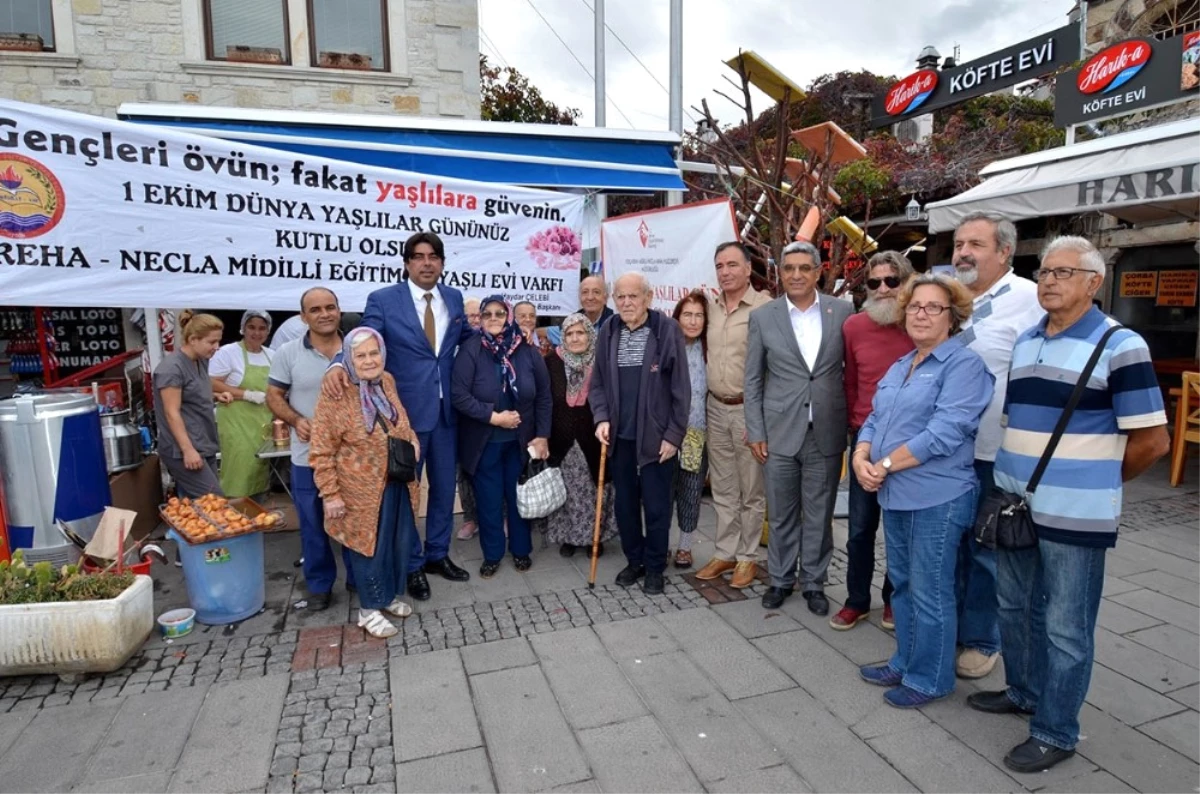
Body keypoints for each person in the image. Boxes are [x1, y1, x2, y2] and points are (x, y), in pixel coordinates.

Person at [969, 236, 1169, 773]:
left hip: (1077, 514)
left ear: (1094, 282)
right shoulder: (1029, 340)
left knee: (1065, 625)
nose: (1049, 281)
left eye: (1062, 272)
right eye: (1044, 272)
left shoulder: (1120, 344)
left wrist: (1096, 480)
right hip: (1015, 503)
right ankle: (1024, 691)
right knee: (1015, 606)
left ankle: (1057, 729)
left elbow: (1153, 442)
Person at [855, 273, 994, 709]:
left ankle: (932, 678)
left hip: (938, 496)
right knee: (903, 586)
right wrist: (860, 455)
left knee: (931, 590)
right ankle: (905, 660)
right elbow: (875, 419)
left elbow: (946, 432)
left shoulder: (963, 365)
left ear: (952, 318)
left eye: (933, 307)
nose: (921, 313)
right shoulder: (903, 364)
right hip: (894, 493)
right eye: (915, 306)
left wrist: (885, 463)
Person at [323, 232, 473, 601]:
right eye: (418, 257)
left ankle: (438, 553)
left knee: (442, 488)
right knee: (408, 492)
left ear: (442, 262)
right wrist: (338, 364)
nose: (426, 263)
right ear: (407, 263)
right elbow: (364, 336)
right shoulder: (384, 300)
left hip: (446, 413)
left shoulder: (453, 298)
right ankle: (412, 565)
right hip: (402, 417)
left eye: (433, 256)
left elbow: (468, 338)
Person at [951, 211, 1045, 680]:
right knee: (952, 542)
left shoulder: (1031, 298)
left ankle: (982, 639)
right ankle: (951, 626)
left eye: (976, 244)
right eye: (959, 243)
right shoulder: (949, 297)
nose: (963, 252)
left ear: (1004, 252)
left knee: (987, 547)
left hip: (996, 450)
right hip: (947, 450)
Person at [745, 242, 853, 614]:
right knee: (780, 512)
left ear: (818, 271)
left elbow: (851, 373)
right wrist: (755, 431)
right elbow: (753, 380)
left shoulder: (842, 311)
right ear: (780, 272)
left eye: (804, 268)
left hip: (825, 429)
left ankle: (814, 583)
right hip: (778, 432)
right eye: (788, 268)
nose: (795, 275)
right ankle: (779, 579)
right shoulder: (764, 317)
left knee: (820, 514)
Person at [310, 328, 421, 639]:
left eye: (374, 353)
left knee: (396, 543)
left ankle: (386, 597)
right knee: (367, 547)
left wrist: (412, 440)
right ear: (348, 358)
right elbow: (320, 449)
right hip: (359, 490)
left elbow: (401, 421)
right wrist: (330, 494)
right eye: (361, 355)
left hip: (397, 480)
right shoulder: (336, 392)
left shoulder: (386, 381)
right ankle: (368, 609)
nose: (370, 360)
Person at [590, 273, 690, 595]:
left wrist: (674, 435)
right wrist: (601, 418)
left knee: (658, 506)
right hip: (620, 437)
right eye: (620, 297)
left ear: (648, 298)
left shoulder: (666, 330)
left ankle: (656, 566)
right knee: (625, 506)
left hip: (657, 438)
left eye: (633, 296)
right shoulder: (608, 331)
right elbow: (599, 384)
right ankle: (635, 561)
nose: (627, 303)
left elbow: (681, 389)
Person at [832, 251, 915, 631]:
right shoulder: (853, 327)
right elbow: (849, 381)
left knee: (899, 531)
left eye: (892, 281)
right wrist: (855, 429)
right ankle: (856, 600)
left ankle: (894, 600)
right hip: (865, 439)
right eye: (874, 282)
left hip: (908, 445)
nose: (883, 289)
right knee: (861, 529)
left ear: (906, 282)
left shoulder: (919, 322)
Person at [267, 288, 356, 610]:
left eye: (330, 307)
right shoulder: (288, 353)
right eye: (315, 309)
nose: (324, 314)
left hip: (354, 457)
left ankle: (359, 579)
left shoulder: (357, 348)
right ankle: (319, 586)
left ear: (339, 310)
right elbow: (273, 395)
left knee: (355, 521)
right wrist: (294, 419)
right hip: (308, 457)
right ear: (303, 317)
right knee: (313, 525)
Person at [451, 296, 551, 577]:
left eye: (499, 313)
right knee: (489, 500)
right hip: (484, 443)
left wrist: (542, 435)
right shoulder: (471, 349)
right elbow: (459, 395)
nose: (493, 319)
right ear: (480, 319)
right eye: (487, 314)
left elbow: (543, 396)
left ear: (508, 316)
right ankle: (493, 554)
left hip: (521, 442)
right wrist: (493, 416)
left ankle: (521, 550)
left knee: (518, 499)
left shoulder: (526, 350)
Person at [694, 242, 772, 587]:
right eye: (719, 266)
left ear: (747, 268)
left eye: (731, 265)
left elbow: (775, 365)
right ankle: (725, 552)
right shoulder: (709, 308)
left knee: (751, 489)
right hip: (715, 406)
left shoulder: (765, 308)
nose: (725, 272)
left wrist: (760, 418)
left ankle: (747, 557)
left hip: (748, 408)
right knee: (723, 487)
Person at [539, 313, 616, 557]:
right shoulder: (551, 361)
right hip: (561, 439)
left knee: (596, 491)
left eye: (580, 332)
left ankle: (596, 537)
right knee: (567, 492)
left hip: (593, 440)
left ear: (590, 334)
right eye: (569, 333)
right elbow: (544, 399)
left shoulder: (602, 362)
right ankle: (569, 538)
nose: (575, 338)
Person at [154, 311, 234, 498]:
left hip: (204, 442)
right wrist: (188, 451)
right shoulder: (171, 369)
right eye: (212, 342)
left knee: (197, 508)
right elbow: (171, 412)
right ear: (192, 339)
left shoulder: (201, 360)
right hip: (183, 448)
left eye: (218, 341)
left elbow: (191, 394)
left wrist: (215, 396)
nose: (217, 347)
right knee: (214, 501)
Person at [210, 310, 274, 498]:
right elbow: (211, 382)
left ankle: (256, 516)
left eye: (262, 328)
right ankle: (233, 513)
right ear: (243, 328)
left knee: (259, 471)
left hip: (263, 423)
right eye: (251, 327)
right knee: (238, 470)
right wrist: (247, 394)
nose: (257, 333)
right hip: (236, 423)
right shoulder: (228, 353)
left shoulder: (272, 355)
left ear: (268, 331)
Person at [671, 292, 710, 569]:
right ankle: (659, 543)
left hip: (697, 432)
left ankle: (685, 546)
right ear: (677, 317)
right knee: (660, 492)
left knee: (691, 490)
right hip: (665, 433)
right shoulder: (665, 346)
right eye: (687, 314)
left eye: (699, 315)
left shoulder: (710, 349)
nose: (693, 321)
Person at [455, 296, 482, 541]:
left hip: (486, 419)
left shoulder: (491, 344)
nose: (475, 321)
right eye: (469, 316)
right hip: (460, 420)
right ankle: (471, 518)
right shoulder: (454, 345)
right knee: (463, 471)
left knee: (489, 470)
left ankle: (500, 515)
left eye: (478, 316)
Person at [546, 275, 615, 346]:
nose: (590, 297)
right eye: (585, 292)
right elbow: (551, 332)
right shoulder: (572, 321)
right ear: (580, 297)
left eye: (596, 292)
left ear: (605, 298)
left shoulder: (614, 325)